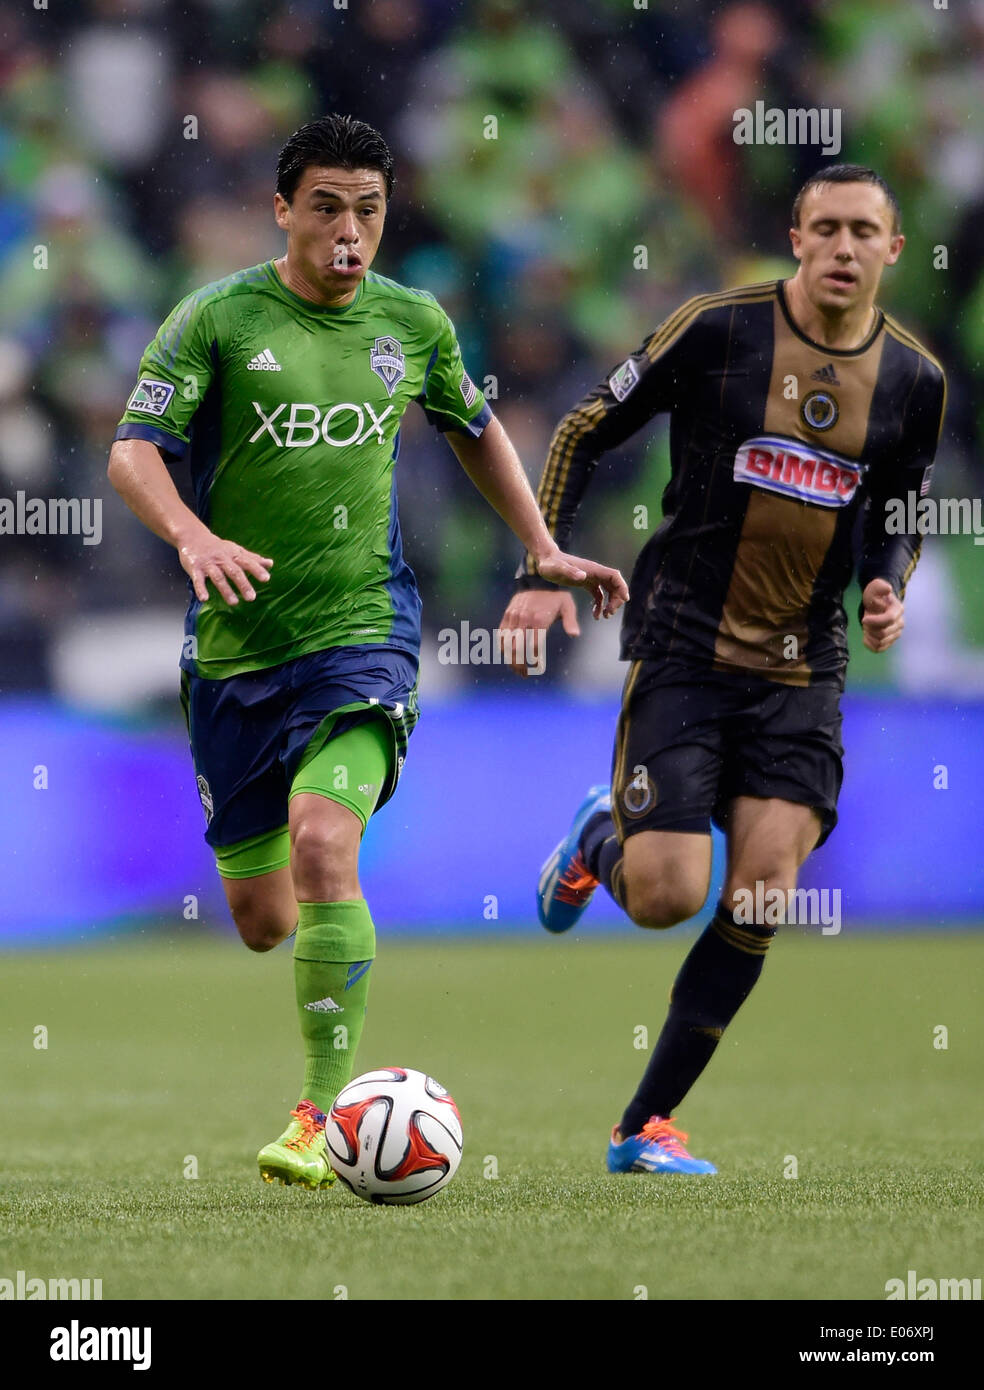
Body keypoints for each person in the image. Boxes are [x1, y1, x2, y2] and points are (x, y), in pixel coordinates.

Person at [108, 114, 627, 1191]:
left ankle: (317, 1112)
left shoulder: (413, 322)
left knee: (323, 841)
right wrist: (194, 536)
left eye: (371, 211)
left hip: (363, 639)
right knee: (261, 919)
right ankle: (323, 965)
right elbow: (130, 454)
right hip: (236, 654)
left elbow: (473, 423)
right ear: (283, 209)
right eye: (330, 208)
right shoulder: (214, 319)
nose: (352, 233)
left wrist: (541, 545)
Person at [500, 165, 946, 1175]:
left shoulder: (915, 380)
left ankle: (641, 1125)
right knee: (665, 895)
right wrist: (543, 565)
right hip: (686, 647)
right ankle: (598, 837)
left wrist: (886, 580)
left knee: (762, 892)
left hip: (802, 667)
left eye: (861, 231)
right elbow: (583, 427)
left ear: (893, 249)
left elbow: (903, 504)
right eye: (823, 227)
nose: (841, 246)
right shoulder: (717, 330)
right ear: (795, 236)